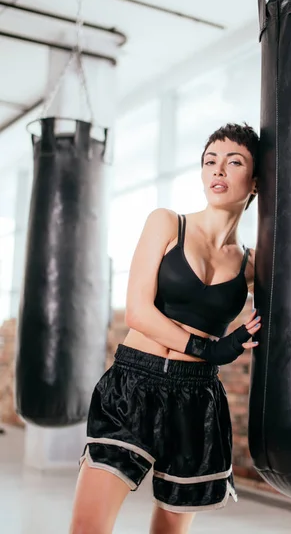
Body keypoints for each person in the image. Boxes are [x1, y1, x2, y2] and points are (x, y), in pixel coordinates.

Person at [69, 123, 261, 534]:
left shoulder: (252, 265)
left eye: (234, 161)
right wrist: (211, 349)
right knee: (88, 529)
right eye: (211, 161)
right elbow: (137, 312)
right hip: (133, 384)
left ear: (256, 181)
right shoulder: (166, 223)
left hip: (197, 399)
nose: (219, 171)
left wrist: (246, 336)